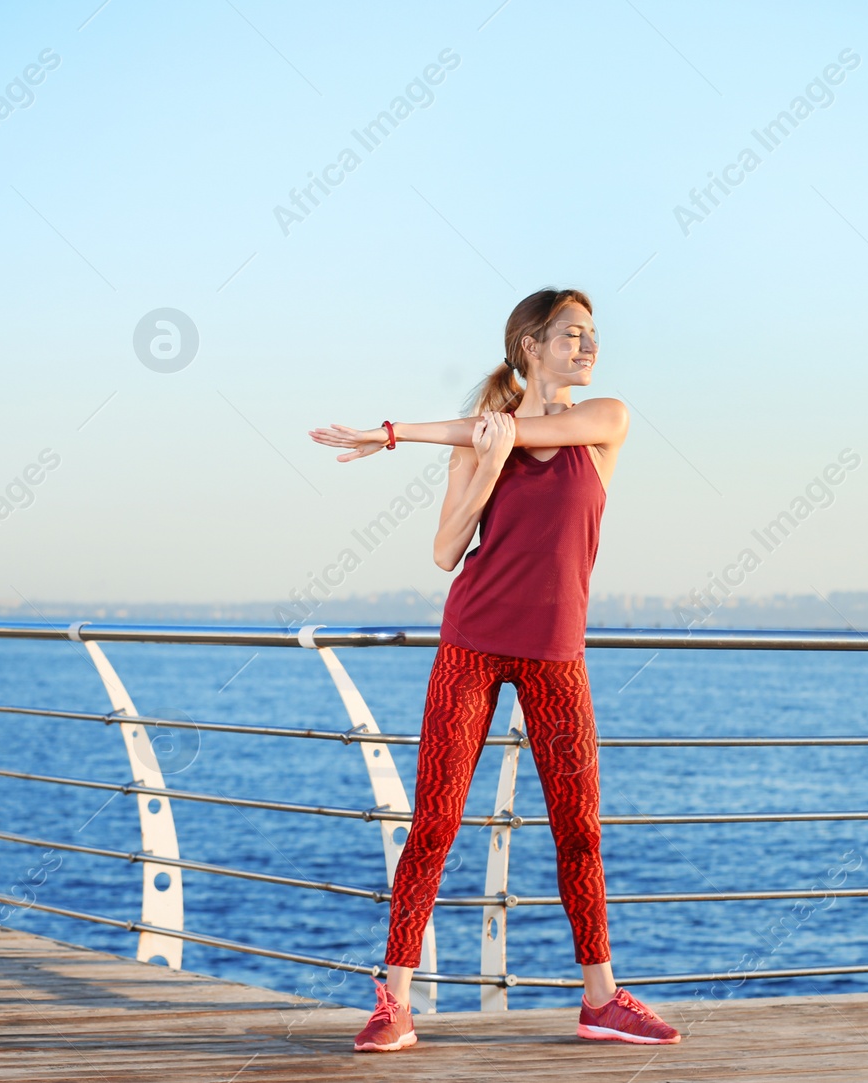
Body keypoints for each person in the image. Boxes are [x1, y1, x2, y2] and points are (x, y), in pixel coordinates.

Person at [308, 287, 681, 1050]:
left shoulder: (605, 420)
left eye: (592, 333)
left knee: (579, 827)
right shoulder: (481, 436)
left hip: (556, 654)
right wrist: (480, 464)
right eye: (571, 334)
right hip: (472, 641)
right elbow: (447, 553)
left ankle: (602, 999)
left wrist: (395, 431)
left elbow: (524, 427)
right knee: (436, 821)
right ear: (529, 346)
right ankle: (396, 1001)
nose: (588, 345)